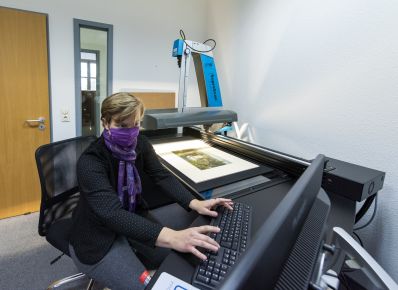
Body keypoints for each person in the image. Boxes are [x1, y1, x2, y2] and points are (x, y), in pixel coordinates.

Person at [69, 92, 233, 290]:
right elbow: (112, 214)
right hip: (97, 236)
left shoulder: (140, 144)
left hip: (134, 217)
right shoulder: (90, 162)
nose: (130, 132)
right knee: (148, 286)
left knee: (178, 261)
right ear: (105, 123)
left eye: (136, 124)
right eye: (122, 126)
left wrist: (195, 203)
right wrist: (173, 236)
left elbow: (160, 175)